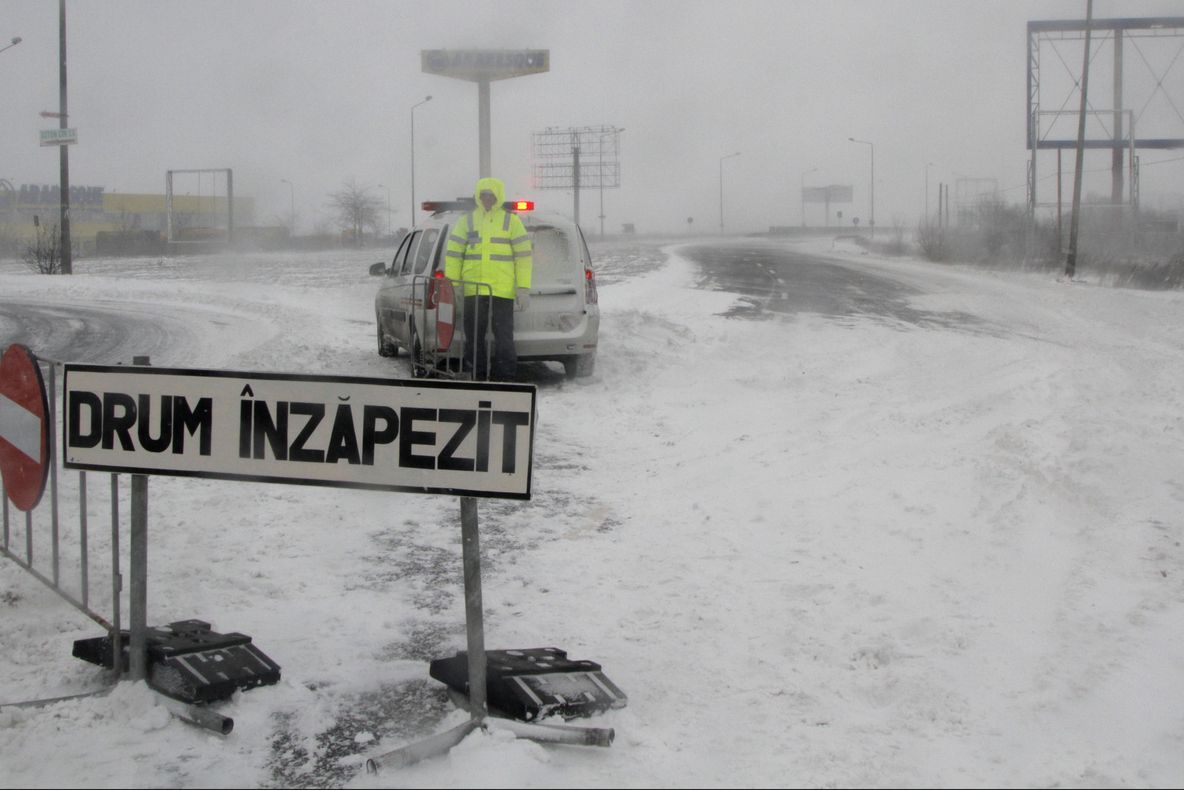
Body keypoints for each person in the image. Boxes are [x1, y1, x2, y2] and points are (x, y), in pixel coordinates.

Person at [444, 177, 533, 381]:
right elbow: (454, 254)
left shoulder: (511, 221)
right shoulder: (467, 221)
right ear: (478, 197)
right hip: (473, 290)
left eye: (490, 195)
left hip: (502, 291)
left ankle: (506, 377)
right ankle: (477, 374)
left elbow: (524, 257)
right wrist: (454, 286)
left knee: (504, 338)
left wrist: (523, 288)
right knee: (474, 338)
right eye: (483, 195)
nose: (487, 199)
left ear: (498, 197)